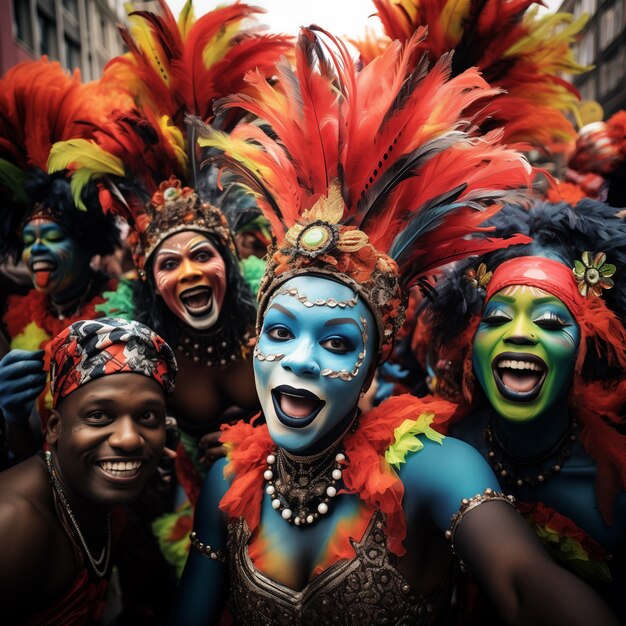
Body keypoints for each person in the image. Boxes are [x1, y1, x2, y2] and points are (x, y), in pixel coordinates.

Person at [170, 27, 617, 625]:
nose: (301, 359)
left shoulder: (433, 468)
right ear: (255, 346)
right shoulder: (224, 483)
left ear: (372, 370)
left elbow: (521, 580)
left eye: (335, 342)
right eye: (280, 333)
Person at [414, 199, 626, 619]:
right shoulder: (436, 451)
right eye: (496, 319)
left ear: (585, 348)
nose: (520, 334)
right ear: (470, 343)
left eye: (549, 322)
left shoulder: (616, 486)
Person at [0, 317, 177, 625]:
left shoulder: (96, 491)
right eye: (99, 415)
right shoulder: (15, 525)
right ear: (55, 427)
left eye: (147, 416)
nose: (128, 439)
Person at [0, 58, 123, 464]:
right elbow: (27, 451)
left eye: (51, 237)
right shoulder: (20, 321)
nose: (36, 250)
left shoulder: (123, 310)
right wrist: (13, 414)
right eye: (29, 240)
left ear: (88, 246)